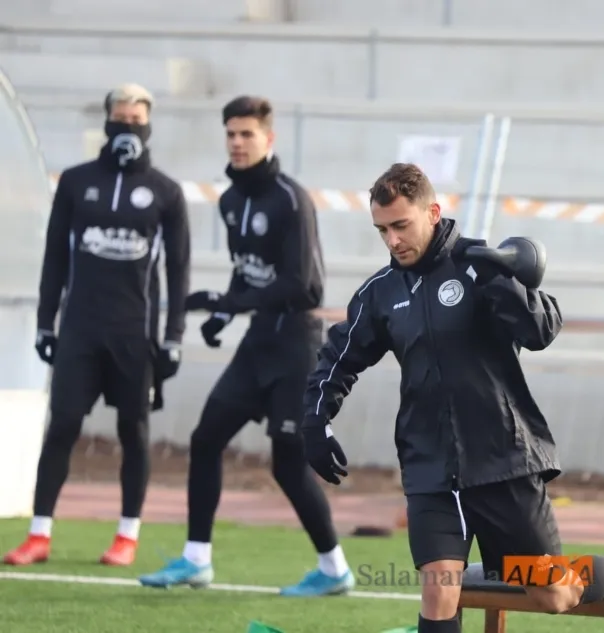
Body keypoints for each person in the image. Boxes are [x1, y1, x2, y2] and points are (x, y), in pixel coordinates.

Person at [299, 162, 604, 633]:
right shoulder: (381, 292)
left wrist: (502, 280)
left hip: (502, 462)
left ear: (432, 213)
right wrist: (315, 420)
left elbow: (542, 329)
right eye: (382, 230)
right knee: (439, 588)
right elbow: (338, 358)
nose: (392, 241)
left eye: (401, 225)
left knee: (552, 592)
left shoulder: (481, 264)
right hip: (430, 467)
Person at [138, 95, 353, 597]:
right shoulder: (231, 201)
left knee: (287, 464)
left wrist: (229, 302)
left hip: (295, 347)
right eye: (231, 134)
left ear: (268, 138)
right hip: (259, 342)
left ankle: (334, 569)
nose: (237, 142)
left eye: (247, 134)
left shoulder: (291, 200)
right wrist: (224, 310)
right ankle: (196, 560)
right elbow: (248, 274)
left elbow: (304, 287)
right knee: (205, 439)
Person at [3, 83, 191, 567]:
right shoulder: (75, 182)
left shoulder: (166, 192)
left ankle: (127, 536)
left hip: (134, 335)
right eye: (120, 119)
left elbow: (178, 271)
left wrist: (173, 337)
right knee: (63, 425)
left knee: (133, 430)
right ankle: (39, 534)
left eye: (136, 121)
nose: (127, 127)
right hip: (80, 331)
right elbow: (54, 258)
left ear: (148, 127)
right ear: (107, 122)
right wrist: (45, 323)